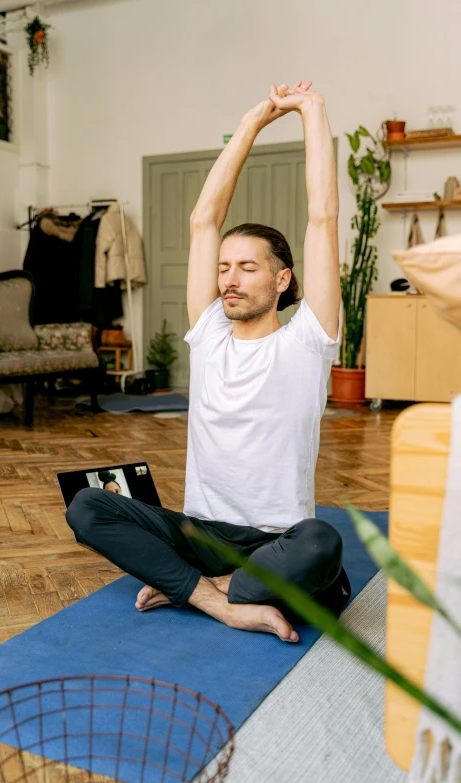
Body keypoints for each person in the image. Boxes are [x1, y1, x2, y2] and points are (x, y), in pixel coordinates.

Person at [67, 79, 350, 643]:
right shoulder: (210, 335)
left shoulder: (308, 339)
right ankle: (221, 598)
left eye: (248, 267)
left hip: (275, 540)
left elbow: (322, 218)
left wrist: (311, 112)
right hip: (200, 533)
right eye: (224, 267)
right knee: (87, 506)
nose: (229, 279)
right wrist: (251, 122)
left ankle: (202, 587)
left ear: (282, 279)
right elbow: (203, 218)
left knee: (322, 542)